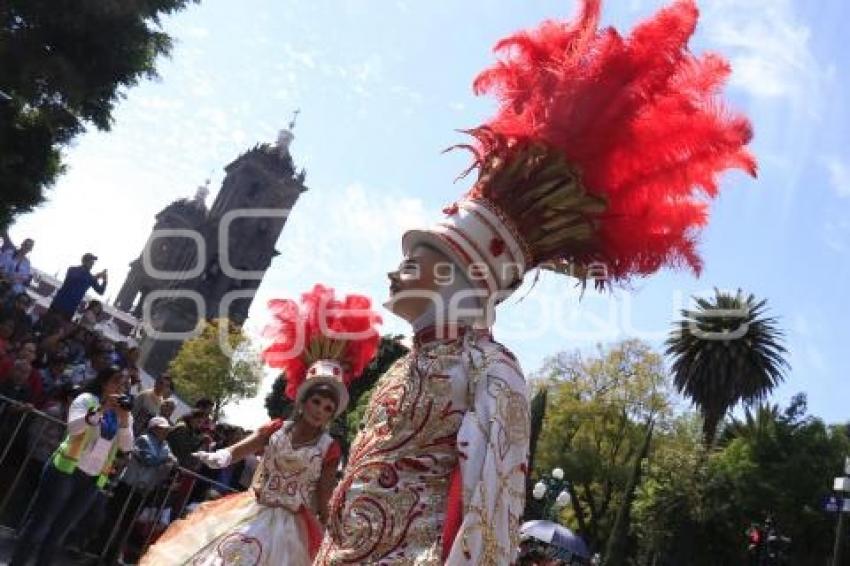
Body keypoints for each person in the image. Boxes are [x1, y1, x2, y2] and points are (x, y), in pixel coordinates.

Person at [318, 1, 755, 563]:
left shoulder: (492, 370)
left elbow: (488, 513)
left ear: (461, 272)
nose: (395, 270)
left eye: (417, 258)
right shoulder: (405, 364)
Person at [141, 284, 380, 566]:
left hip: (292, 533)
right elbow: (245, 447)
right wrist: (221, 455)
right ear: (303, 402)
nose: (320, 411)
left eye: (328, 408)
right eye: (316, 402)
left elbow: (324, 495)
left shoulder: (329, 449)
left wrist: (334, 530)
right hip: (252, 512)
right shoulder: (277, 429)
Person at [9, 365, 134, 566]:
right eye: (116, 381)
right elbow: (74, 428)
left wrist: (125, 420)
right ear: (104, 382)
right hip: (65, 471)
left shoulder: (124, 416)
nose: (121, 387)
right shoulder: (86, 400)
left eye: (125, 384)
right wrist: (102, 409)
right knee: (41, 524)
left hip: (92, 479)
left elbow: (127, 447)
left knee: (60, 532)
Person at [97, 416, 177, 564]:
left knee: (126, 525)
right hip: (127, 485)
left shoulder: (165, 445)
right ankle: (98, 551)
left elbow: (173, 461)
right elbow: (148, 459)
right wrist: (165, 460)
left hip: (142, 491)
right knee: (113, 520)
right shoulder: (143, 439)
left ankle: (110, 556)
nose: (165, 432)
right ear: (154, 428)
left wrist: (167, 460)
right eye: (162, 428)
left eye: (166, 429)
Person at [48, 252, 107, 321]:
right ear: (85, 261)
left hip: (70, 308)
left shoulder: (90, 278)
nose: (92, 263)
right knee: (47, 323)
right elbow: (77, 279)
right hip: (59, 304)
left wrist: (105, 281)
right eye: (91, 261)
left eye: (93, 262)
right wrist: (96, 277)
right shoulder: (73, 270)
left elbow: (101, 291)